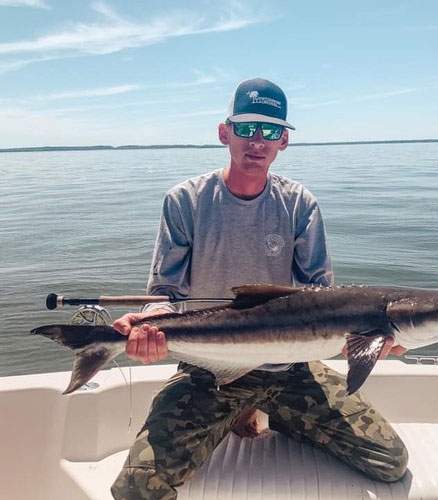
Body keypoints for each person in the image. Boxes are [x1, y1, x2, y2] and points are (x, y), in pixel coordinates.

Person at [110, 78, 408, 500]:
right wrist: (153, 321)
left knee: (389, 461)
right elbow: (165, 293)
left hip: (291, 368)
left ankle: (277, 411)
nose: (257, 141)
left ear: (283, 141)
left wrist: (360, 339)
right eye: (247, 127)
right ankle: (237, 408)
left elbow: (323, 298)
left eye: (270, 131)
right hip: (210, 369)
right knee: (137, 489)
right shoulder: (185, 201)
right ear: (223, 132)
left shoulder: (299, 203)